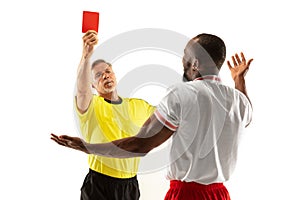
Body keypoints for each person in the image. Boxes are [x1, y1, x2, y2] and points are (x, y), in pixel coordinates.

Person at [52, 33, 253, 200]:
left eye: (185, 55)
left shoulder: (172, 97)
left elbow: (140, 144)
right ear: (93, 86)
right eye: (97, 76)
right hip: (220, 194)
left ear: (195, 64)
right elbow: (245, 110)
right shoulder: (238, 100)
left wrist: (86, 147)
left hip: (181, 193)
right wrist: (239, 81)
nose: (182, 60)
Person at [63, 30, 155, 200]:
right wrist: (86, 56)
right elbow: (82, 90)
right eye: (98, 75)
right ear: (92, 85)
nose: (105, 76)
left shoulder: (138, 105)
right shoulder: (91, 105)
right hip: (99, 183)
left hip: (130, 185)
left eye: (108, 71)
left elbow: (170, 114)